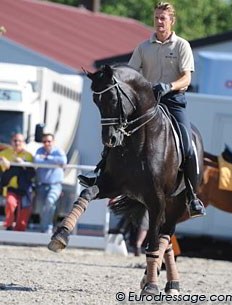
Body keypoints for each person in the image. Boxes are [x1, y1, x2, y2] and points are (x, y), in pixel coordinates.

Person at [79, 2, 205, 218]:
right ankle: (100, 173)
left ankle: (192, 197)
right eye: (156, 17)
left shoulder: (182, 46)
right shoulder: (143, 47)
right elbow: (129, 72)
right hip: (147, 105)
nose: (159, 22)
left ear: (171, 21)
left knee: (188, 146)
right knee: (116, 132)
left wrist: (168, 86)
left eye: (163, 18)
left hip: (173, 102)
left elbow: (187, 77)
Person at [0, 133, 35, 231]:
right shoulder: (5, 153)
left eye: (19, 141)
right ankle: (9, 225)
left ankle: (20, 231)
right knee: (10, 204)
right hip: (11, 187)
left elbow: (32, 173)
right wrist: (2, 160)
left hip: (25, 188)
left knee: (24, 211)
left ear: (23, 143)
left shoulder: (29, 155)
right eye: (15, 140)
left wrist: (23, 164)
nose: (17, 143)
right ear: (11, 142)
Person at [34, 133, 67, 234]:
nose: (47, 143)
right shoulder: (39, 150)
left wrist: (47, 158)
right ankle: (44, 227)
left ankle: (48, 228)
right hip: (41, 184)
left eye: (49, 141)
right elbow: (37, 160)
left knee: (50, 202)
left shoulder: (59, 151)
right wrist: (54, 161)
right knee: (41, 208)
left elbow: (63, 161)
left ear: (53, 142)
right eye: (44, 141)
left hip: (55, 185)